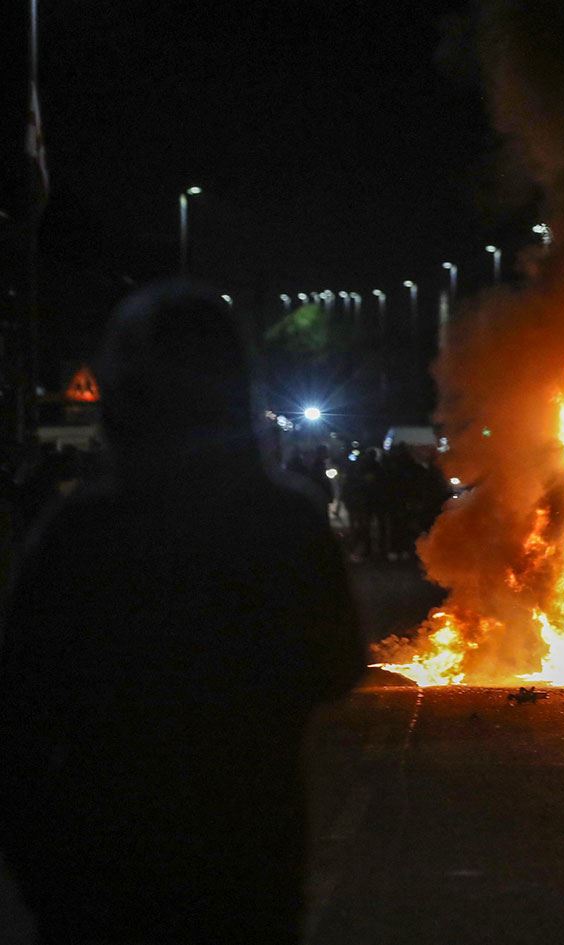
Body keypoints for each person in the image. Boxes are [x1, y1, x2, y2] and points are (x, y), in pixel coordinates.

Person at [0, 282, 366, 945]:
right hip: (245, 855)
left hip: (101, 869)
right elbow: (335, 665)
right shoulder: (283, 522)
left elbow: (24, 709)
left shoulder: (79, 532)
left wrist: (36, 867)